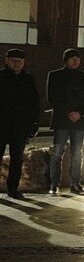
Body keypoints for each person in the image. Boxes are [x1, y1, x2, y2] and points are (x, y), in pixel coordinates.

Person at [47, 49, 84, 196]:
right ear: (66, 60)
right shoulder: (55, 75)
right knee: (57, 152)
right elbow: (52, 98)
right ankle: (54, 184)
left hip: (79, 121)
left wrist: (80, 113)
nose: (75, 61)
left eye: (77, 58)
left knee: (77, 153)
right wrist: (69, 113)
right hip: (62, 119)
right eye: (72, 58)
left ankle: (75, 183)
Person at [0, 49, 39, 199]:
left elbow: (34, 103)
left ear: (24, 63)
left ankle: (13, 189)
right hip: (1, 124)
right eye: (14, 60)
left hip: (20, 126)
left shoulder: (28, 79)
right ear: (6, 60)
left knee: (17, 159)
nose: (17, 64)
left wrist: (34, 124)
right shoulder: (1, 77)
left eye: (20, 61)